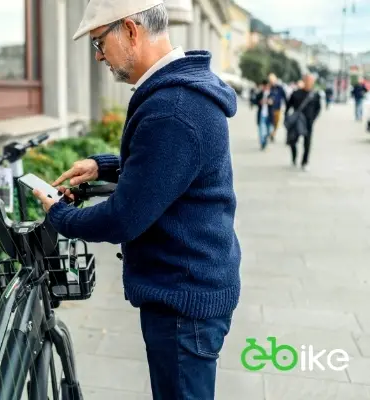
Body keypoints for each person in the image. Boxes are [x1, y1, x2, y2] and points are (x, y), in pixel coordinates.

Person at [31, 1, 241, 398]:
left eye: (98, 43)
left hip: (183, 298)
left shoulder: (173, 108)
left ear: (130, 30)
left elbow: (123, 218)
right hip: (191, 283)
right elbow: (165, 168)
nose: (98, 56)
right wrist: (104, 165)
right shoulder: (178, 95)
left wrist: (59, 214)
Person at [285, 74, 322, 171]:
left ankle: (305, 162)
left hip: (308, 122)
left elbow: (318, 108)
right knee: (292, 140)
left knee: (307, 142)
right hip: (297, 121)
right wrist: (287, 117)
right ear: (304, 81)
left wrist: (313, 118)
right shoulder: (296, 93)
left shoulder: (315, 95)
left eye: (311, 81)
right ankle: (294, 156)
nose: (309, 83)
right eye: (307, 80)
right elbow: (288, 105)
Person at [254, 79, 274, 150]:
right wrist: (260, 102)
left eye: (267, 86)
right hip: (262, 115)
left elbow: (275, 101)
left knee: (269, 130)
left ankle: (265, 139)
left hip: (269, 115)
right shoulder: (260, 94)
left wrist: (271, 102)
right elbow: (255, 101)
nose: (266, 88)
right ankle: (262, 143)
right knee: (261, 130)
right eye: (264, 86)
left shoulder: (272, 93)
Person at [267, 73, 286, 142]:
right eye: (270, 80)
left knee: (276, 123)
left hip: (277, 108)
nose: (272, 82)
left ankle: (273, 133)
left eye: (273, 80)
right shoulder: (268, 87)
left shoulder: (280, 88)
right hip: (269, 109)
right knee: (270, 122)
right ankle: (270, 133)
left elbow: (284, 97)